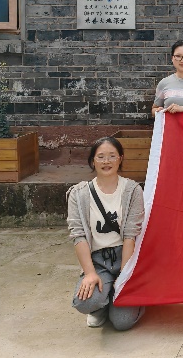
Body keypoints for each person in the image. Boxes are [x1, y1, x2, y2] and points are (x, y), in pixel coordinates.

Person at [67, 137, 145, 330]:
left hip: (125, 257)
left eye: (112, 156)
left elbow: (130, 235)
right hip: (98, 261)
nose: (106, 161)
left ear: (120, 158)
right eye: (100, 156)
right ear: (92, 161)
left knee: (122, 322)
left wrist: (124, 276)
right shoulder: (78, 193)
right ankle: (100, 305)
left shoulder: (132, 190)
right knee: (85, 302)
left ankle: (127, 298)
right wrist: (89, 273)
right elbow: (78, 235)